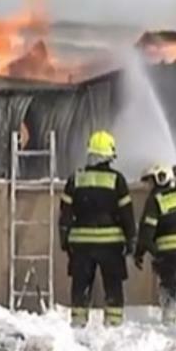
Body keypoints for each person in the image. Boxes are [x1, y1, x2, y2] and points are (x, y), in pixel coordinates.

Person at [59, 130, 135, 328]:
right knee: (113, 285)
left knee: (81, 285)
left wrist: (64, 239)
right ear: (109, 156)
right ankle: (114, 325)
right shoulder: (117, 180)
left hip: (81, 245)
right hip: (111, 246)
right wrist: (131, 239)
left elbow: (65, 214)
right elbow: (127, 214)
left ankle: (77, 324)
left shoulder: (75, 179)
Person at [134, 163, 176, 325]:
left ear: (160, 179)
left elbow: (146, 233)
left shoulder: (156, 201)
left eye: (151, 181)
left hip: (167, 253)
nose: (149, 186)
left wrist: (141, 252)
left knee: (170, 289)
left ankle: (169, 325)